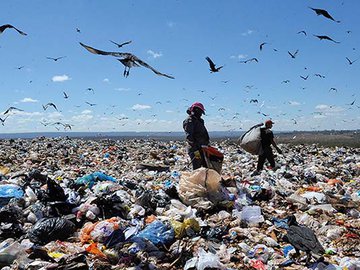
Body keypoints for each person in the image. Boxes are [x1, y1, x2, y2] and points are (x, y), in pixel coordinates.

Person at [183, 102, 210, 170]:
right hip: (195, 149)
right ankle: (196, 180)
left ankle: (203, 180)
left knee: (205, 165)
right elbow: (189, 137)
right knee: (197, 165)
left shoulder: (199, 121)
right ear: (195, 110)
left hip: (202, 148)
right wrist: (196, 148)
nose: (201, 114)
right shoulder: (189, 121)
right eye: (200, 112)